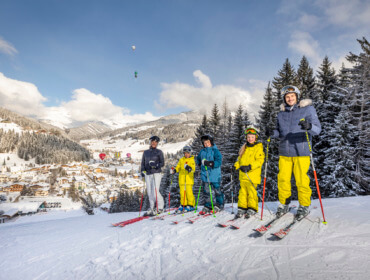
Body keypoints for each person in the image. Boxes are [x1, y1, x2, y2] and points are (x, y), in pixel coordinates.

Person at [267, 85, 321, 220]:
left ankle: (304, 205)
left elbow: (317, 130)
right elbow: (280, 132)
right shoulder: (281, 113)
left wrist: (309, 127)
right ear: (284, 99)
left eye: (292, 96)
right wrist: (272, 133)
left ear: (297, 97)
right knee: (283, 179)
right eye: (287, 97)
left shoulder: (308, 109)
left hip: (301, 150)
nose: (290, 98)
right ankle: (284, 203)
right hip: (285, 151)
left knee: (301, 180)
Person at [234, 127, 265, 219]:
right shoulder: (244, 148)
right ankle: (242, 207)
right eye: (248, 137)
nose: (250, 139)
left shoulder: (258, 148)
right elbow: (239, 160)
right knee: (242, 192)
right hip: (243, 175)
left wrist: (250, 167)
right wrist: (235, 166)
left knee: (252, 193)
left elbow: (260, 161)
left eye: (252, 137)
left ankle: (252, 208)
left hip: (252, 175)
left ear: (256, 138)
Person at [196, 134, 224, 214]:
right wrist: (199, 164)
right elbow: (198, 159)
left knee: (217, 191)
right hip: (205, 175)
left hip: (214, 175)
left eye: (207, 142)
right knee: (206, 191)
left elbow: (218, 162)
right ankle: (209, 205)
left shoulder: (215, 151)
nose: (206, 144)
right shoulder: (202, 151)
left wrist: (209, 163)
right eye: (204, 143)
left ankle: (219, 204)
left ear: (211, 142)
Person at [140, 135, 165, 216]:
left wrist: (156, 164)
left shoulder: (159, 152)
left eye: (155, 142)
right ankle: (151, 207)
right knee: (150, 192)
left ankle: (160, 208)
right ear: (150, 142)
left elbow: (162, 163)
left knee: (155, 191)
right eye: (152, 142)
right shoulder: (146, 152)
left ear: (157, 143)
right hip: (148, 174)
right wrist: (142, 171)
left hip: (156, 173)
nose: (154, 143)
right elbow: (143, 163)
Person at [171, 146, 196, 213]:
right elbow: (178, 166)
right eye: (185, 153)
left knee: (189, 193)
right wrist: (174, 170)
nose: (186, 154)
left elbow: (193, 169)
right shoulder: (181, 160)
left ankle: (191, 205)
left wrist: (188, 168)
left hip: (188, 180)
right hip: (182, 179)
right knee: (182, 193)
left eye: (188, 153)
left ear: (190, 153)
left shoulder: (192, 160)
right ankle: (183, 204)